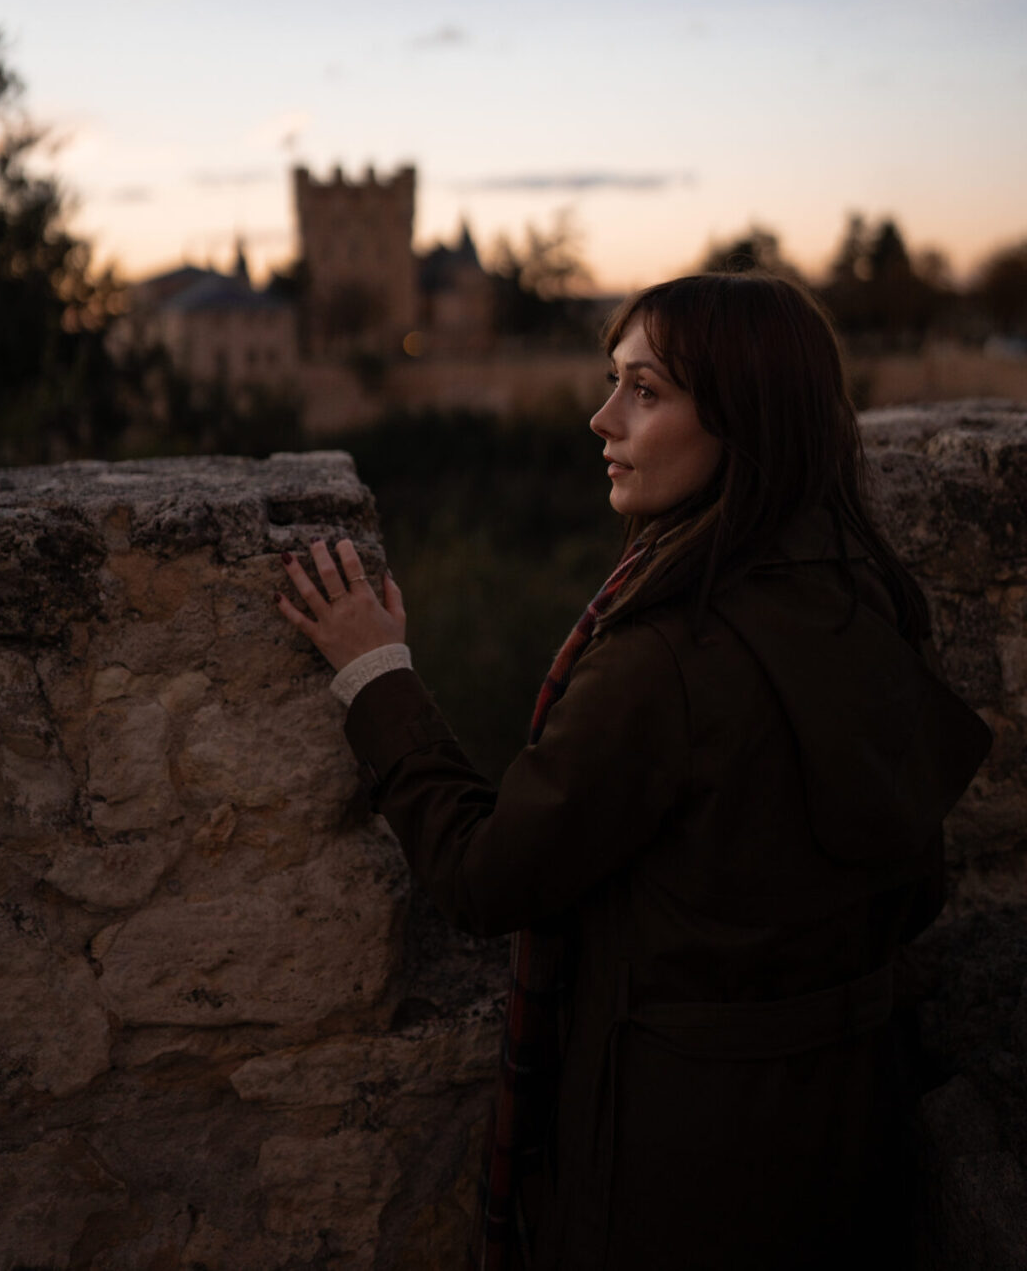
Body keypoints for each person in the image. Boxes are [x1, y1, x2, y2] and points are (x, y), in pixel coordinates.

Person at [274, 270, 991, 1271]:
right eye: (613, 382)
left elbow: (487, 877)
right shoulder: (868, 598)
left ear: (746, 419)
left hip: (680, 1175)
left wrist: (376, 673)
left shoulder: (668, 660)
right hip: (848, 1144)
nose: (601, 419)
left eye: (646, 392)